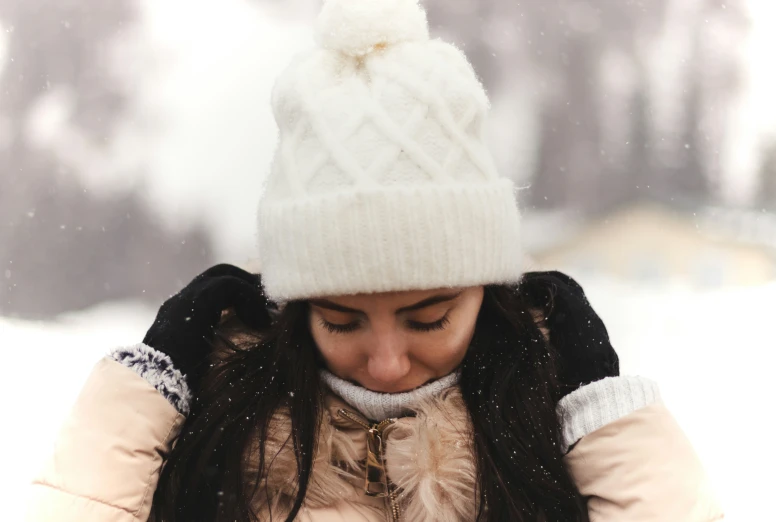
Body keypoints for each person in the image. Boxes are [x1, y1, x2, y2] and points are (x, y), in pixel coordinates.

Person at [27, 0, 723, 521]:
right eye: (342, 320)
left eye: (428, 318)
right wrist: (146, 389)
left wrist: (595, 404)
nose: (386, 362)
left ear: (485, 291)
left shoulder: (540, 421)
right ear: (296, 307)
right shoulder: (224, 431)